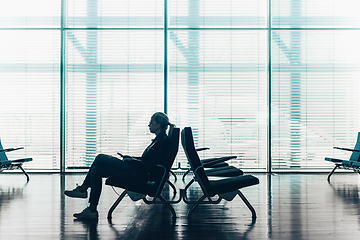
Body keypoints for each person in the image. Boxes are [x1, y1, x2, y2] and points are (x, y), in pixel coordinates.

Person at [64, 112, 175, 219]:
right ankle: (92, 209)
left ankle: (83, 189)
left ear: (158, 124)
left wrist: (132, 161)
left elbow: (152, 166)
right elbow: (148, 161)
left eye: (151, 123)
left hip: (137, 174)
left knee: (100, 158)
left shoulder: (162, 142)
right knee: (96, 170)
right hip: (136, 170)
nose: (149, 125)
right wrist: (132, 158)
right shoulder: (159, 140)